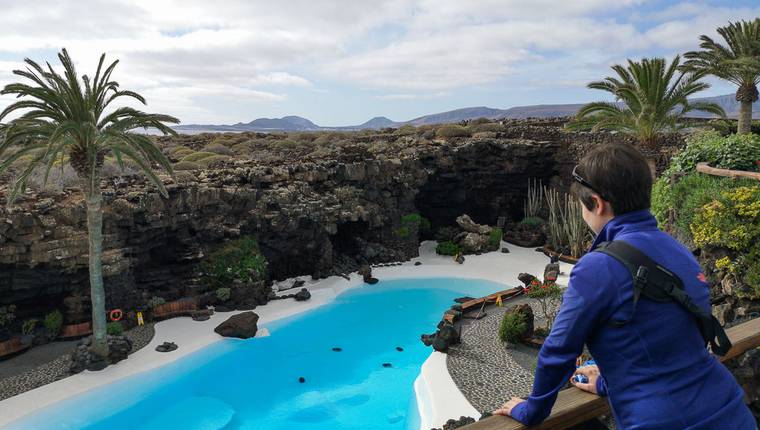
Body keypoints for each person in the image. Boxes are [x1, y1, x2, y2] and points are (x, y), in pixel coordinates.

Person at [493, 144, 755, 429]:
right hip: (730, 411)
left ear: (598, 203)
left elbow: (558, 353)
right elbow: (669, 342)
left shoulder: (598, 267)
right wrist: (608, 383)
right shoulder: (678, 250)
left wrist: (531, 410)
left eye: (582, 206)